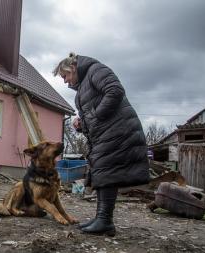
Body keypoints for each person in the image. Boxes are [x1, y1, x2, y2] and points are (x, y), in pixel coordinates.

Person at [53, 53, 150, 236]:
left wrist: (95, 116)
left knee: (105, 170)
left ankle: (104, 220)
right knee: (105, 172)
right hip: (107, 134)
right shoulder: (83, 89)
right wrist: (82, 124)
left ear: (72, 67)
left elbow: (115, 90)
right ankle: (102, 219)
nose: (65, 81)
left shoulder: (95, 70)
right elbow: (92, 119)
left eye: (65, 76)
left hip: (119, 131)